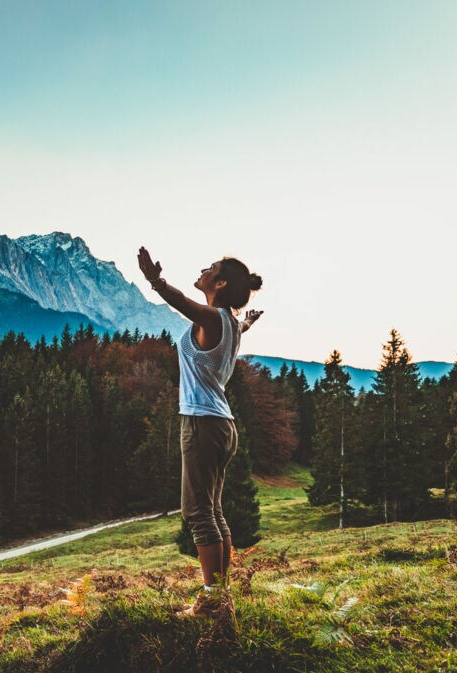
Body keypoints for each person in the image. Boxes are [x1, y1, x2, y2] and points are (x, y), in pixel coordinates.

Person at [137, 247, 263, 622]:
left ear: (220, 283)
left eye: (210, 268)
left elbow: (181, 302)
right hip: (222, 425)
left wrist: (155, 281)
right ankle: (220, 596)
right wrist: (250, 321)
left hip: (203, 424)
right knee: (213, 512)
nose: (203, 269)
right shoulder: (229, 323)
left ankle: (211, 602)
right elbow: (239, 326)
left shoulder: (211, 317)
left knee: (198, 514)